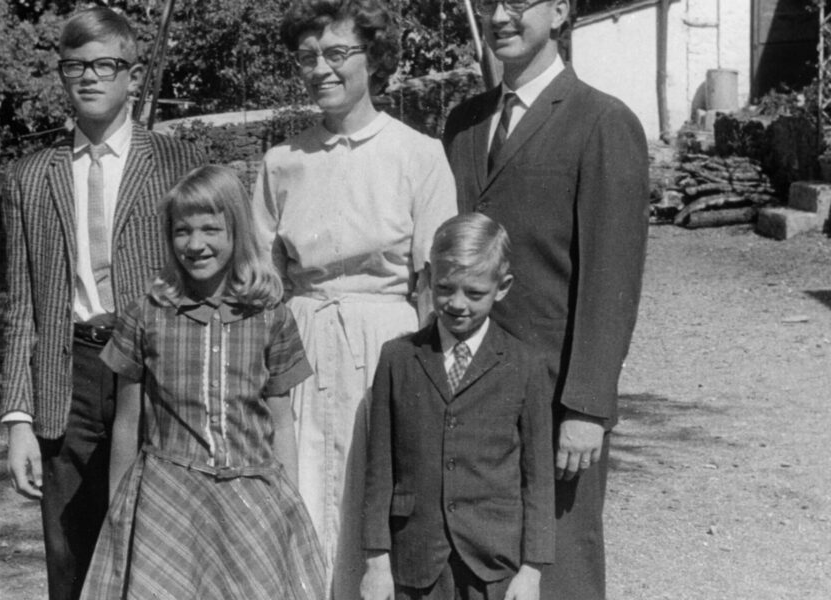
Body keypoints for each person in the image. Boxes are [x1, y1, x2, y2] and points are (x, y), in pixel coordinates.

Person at [441, 1, 650, 599]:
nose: (500, 16)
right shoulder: (463, 124)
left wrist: (587, 407)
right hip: (466, 386)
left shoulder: (602, 122)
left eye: (518, 1)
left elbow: (613, 279)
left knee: (561, 566)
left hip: (556, 398)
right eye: (489, 4)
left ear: (560, 10)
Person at [253, 0, 457, 595]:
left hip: (386, 346)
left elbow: (434, 288)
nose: (321, 68)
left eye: (337, 53)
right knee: (304, 491)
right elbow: (263, 284)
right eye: (308, 56)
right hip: (302, 345)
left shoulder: (419, 155)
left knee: (375, 500)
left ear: (375, 59)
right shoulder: (282, 162)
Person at [0, 7, 202, 599]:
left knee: (160, 549)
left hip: (158, 373)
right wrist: (18, 421)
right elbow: (21, 308)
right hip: (72, 378)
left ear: (133, 77)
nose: (89, 78)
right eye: (74, 66)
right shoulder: (31, 178)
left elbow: (205, 278)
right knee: (72, 559)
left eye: (105, 65)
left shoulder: (175, 163)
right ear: (62, 76)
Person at [79, 166, 327, 600]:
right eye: (182, 231)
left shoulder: (271, 316)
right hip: (167, 501)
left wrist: (286, 501)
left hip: (250, 495)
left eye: (211, 229)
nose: (195, 245)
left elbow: (281, 422)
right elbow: (126, 420)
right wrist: (120, 511)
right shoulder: (147, 314)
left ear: (237, 230)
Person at [360, 213, 555, 600]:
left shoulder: (525, 364)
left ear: (503, 287)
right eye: (446, 288)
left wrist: (532, 570)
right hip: (417, 560)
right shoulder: (398, 358)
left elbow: (538, 478)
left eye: (475, 293)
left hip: (493, 564)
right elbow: (379, 470)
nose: (457, 304)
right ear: (428, 277)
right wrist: (376, 562)